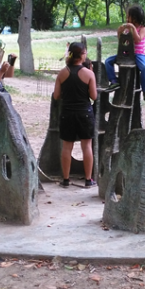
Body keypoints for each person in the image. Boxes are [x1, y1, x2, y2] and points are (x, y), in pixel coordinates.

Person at [53, 42, 98, 188]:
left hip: (67, 113)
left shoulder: (62, 73)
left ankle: (66, 179)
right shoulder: (89, 73)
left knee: (67, 147)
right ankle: (88, 179)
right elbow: (94, 96)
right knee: (87, 146)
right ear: (82, 55)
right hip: (84, 113)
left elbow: (56, 96)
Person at [104, 5, 145, 101]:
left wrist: (133, 28)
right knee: (108, 61)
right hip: (126, 53)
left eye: (128, 16)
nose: (126, 18)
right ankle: (114, 81)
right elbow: (123, 42)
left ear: (135, 17)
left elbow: (138, 40)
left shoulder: (143, 29)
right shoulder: (128, 29)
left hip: (139, 54)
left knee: (144, 67)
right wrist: (120, 32)